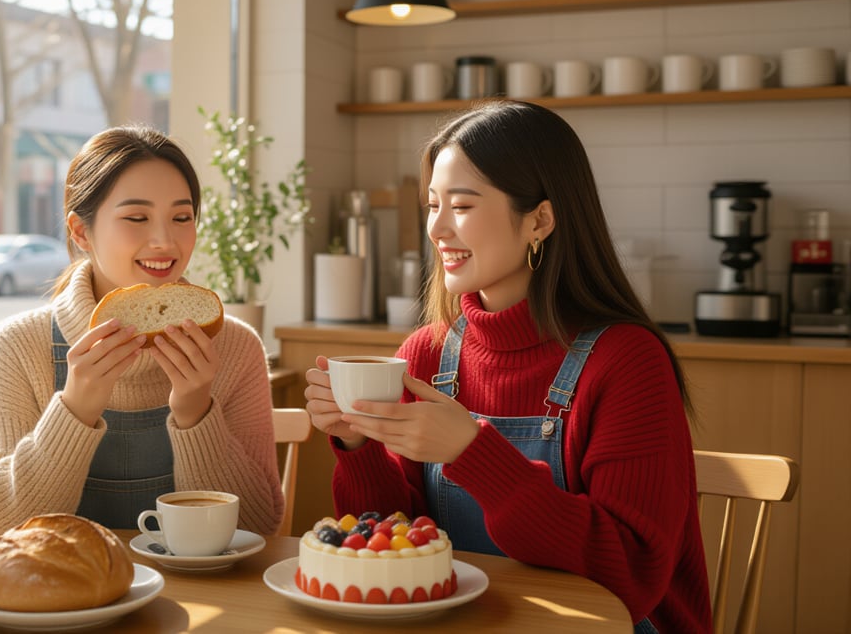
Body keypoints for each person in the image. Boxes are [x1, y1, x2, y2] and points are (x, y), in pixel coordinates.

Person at [303, 101, 711, 633]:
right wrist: (358, 445)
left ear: (539, 219)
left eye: (463, 206)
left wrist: (472, 453)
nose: (438, 229)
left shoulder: (626, 361)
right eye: (432, 205)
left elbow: (630, 575)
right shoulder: (427, 354)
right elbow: (396, 542)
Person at [0, 125, 284, 542]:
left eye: (182, 217)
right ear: (81, 231)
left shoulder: (237, 346)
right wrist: (75, 410)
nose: (164, 240)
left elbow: (260, 526)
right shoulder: (17, 348)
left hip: (202, 601)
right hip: (65, 601)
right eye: (137, 218)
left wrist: (196, 413)